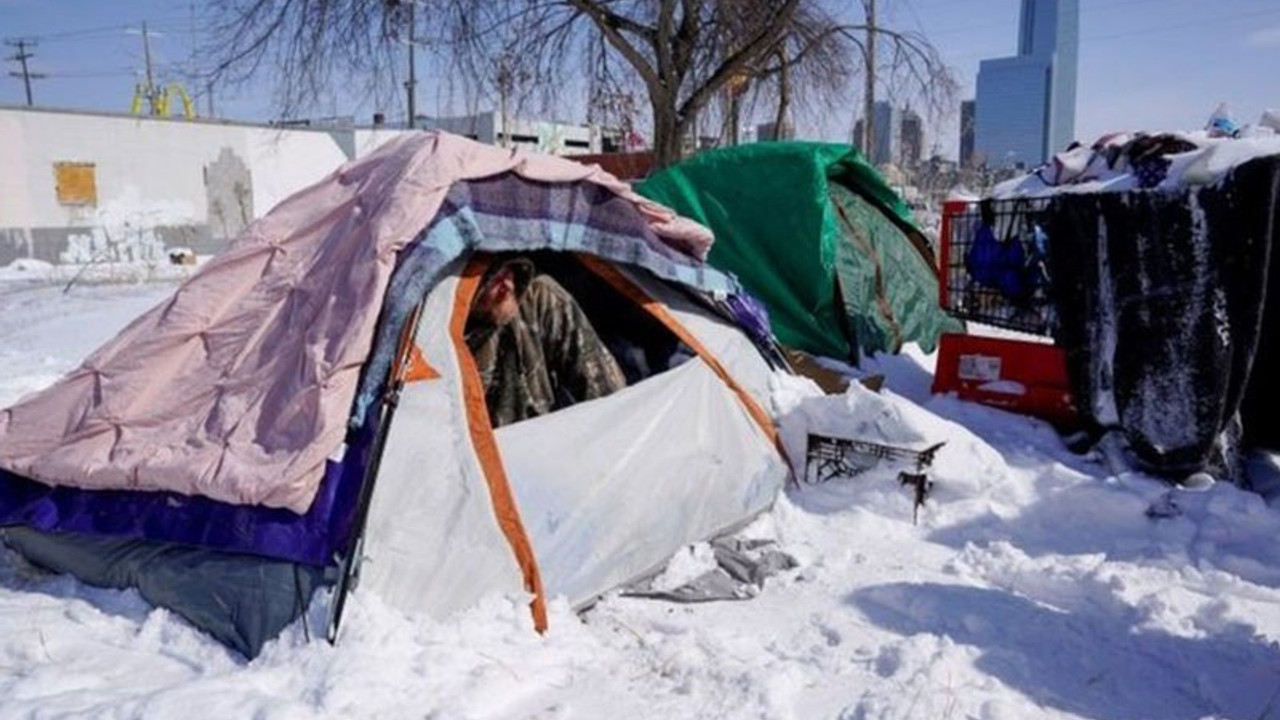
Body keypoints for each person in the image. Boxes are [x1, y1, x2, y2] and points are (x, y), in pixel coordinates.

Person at [465, 256, 627, 428]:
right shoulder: (439, 337)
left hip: (545, 441)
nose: (509, 286)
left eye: (507, 273)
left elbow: (608, 393)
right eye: (494, 282)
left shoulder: (538, 297)